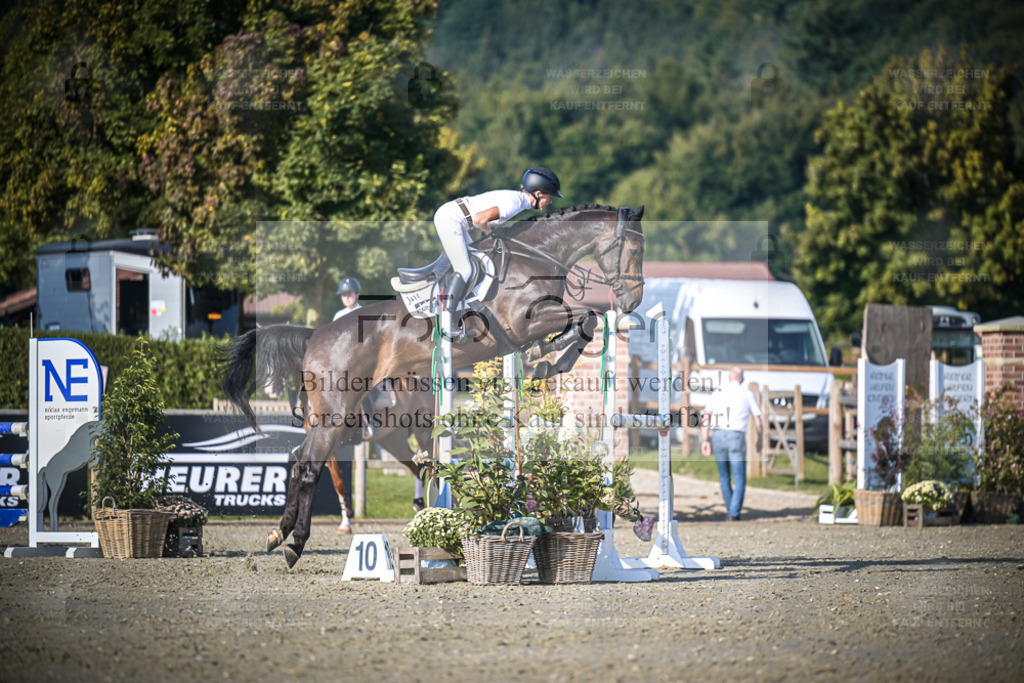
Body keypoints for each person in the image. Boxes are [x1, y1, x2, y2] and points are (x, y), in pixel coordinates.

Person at [433, 167, 562, 340]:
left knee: (477, 263)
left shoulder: (518, 201)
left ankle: (462, 312)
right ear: (538, 194)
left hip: (457, 219)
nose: (550, 202)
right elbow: (480, 220)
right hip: (451, 219)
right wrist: (492, 234)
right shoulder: (514, 204)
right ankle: (446, 323)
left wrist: (492, 234)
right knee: (465, 270)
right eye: (549, 197)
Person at [700, 366, 763, 521]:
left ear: (729, 378)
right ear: (742, 379)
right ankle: (734, 512)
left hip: (718, 434)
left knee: (724, 475)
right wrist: (760, 439)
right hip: (736, 435)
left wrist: (705, 439)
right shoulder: (747, 394)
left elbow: (706, 415)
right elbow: (758, 419)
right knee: (739, 475)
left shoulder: (718, 392)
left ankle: (731, 508)